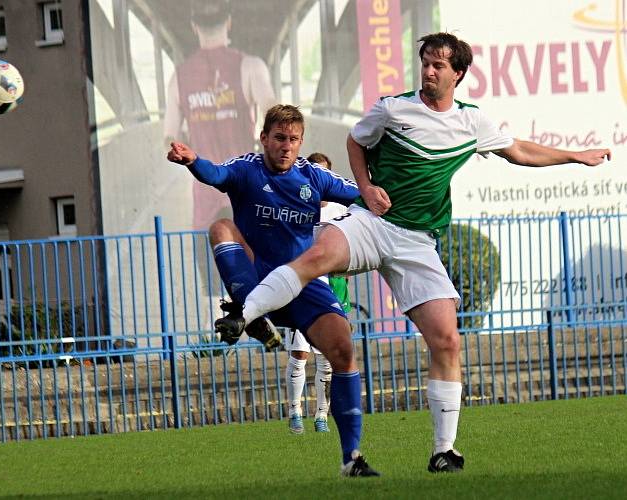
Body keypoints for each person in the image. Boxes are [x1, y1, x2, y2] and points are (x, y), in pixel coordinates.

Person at [214, 32, 612, 473]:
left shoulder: (471, 123)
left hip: (417, 241)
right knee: (314, 259)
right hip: (372, 222)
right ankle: (243, 314)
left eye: (439, 65)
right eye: (425, 62)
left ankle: (444, 451)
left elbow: (518, 150)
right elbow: (356, 141)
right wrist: (365, 187)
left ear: (458, 73)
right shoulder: (392, 108)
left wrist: (576, 157)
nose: (428, 70)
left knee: (447, 340)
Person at [167, 104, 380, 477]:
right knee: (221, 227)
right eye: (279, 138)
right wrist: (192, 160)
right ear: (264, 138)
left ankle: (352, 458)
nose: (286, 146)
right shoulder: (247, 168)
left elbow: (360, 193)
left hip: (304, 281)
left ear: (300, 143)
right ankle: (250, 310)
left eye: (293, 140)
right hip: (258, 273)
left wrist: (386, 195)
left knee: (343, 351)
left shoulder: (313, 176)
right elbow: (216, 174)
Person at [163, 0, 276, 230]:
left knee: (210, 263)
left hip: (205, 197)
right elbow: (276, 118)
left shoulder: (179, 78)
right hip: (245, 189)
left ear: (194, 27)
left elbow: (169, 138)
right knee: (259, 264)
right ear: (229, 22)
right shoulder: (251, 67)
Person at [285, 153, 352, 435]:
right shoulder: (295, 206)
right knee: (299, 353)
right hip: (302, 288)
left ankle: (322, 415)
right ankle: (294, 412)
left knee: (328, 358)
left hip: (333, 288)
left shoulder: (339, 211)